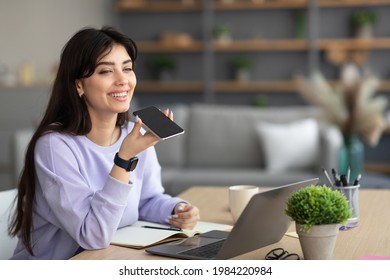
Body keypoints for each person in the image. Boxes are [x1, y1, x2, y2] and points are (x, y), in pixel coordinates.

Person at [8, 26, 200, 259]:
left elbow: (146, 200)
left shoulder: (133, 134)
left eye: (127, 68)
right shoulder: (54, 146)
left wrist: (176, 209)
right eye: (106, 71)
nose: (123, 80)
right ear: (79, 85)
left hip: (108, 259)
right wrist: (124, 160)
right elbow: (93, 235)